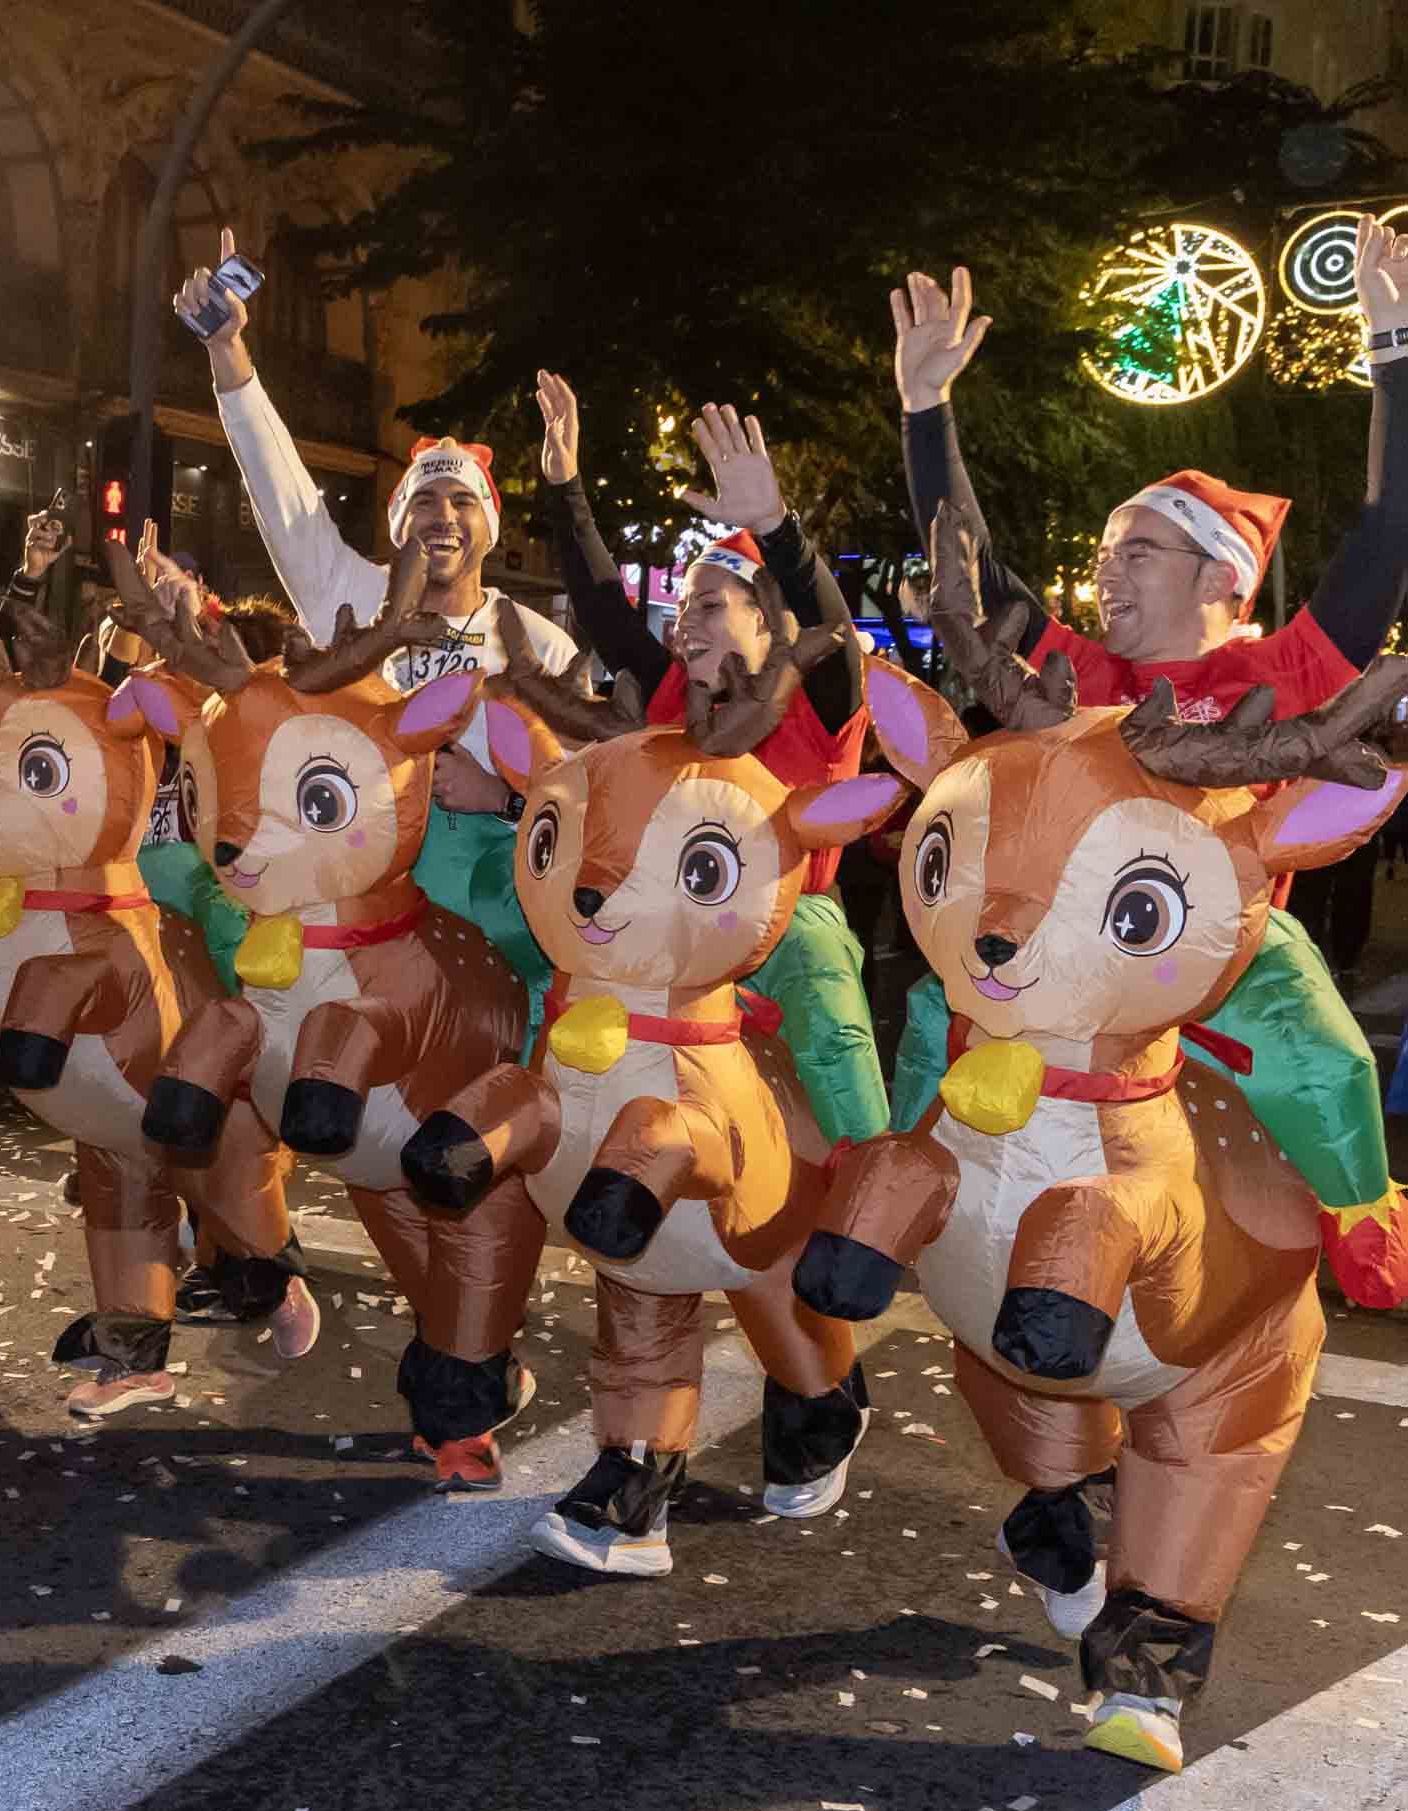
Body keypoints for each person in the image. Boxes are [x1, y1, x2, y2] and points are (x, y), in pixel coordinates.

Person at [889, 223, 1408, 1307]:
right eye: (1102, 545)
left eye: (1136, 548)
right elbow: (971, 570)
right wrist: (926, 412)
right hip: (1058, 961)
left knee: (1330, 1058)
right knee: (932, 1019)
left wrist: (1392, 351)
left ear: (1219, 577)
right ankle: (896, 1184)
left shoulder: (1292, 665)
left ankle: (1361, 1217)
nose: (1103, 567)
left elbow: (1387, 528)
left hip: (1225, 957)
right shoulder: (1070, 670)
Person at [173, 227, 572, 1012]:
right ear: (396, 525)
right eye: (422, 500)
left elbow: (590, 788)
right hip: (348, 902)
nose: (442, 518)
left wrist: (502, 799)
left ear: (491, 526)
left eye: (462, 502)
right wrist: (229, 358)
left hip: (494, 920)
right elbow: (277, 484)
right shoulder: (342, 591)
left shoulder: (538, 642)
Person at [537, 370, 889, 1144]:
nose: (681, 628)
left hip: (784, 917)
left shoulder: (816, 689)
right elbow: (600, 600)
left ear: (768, 618)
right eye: (679, 609)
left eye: (707, 606)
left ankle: (863, 1169)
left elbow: (824, 614)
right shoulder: (670, 694)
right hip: (666, 916)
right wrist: (563, 487)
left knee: (817, 969)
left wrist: (772, 522)